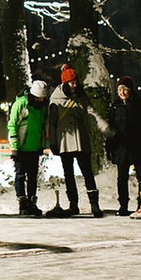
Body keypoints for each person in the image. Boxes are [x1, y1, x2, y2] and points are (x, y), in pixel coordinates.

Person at [46, 64, 108, 218]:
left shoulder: (81, 96)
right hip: (64, 142)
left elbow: (91, 113)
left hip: (81, 140)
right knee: (69, 175)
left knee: (88, 173)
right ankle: (73, 204)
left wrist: (105, 127)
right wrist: (52, 142)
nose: (74, 85)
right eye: (71, 82)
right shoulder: (55, 99)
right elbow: (52, 123)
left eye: (75, 82)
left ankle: (94, 204)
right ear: (65, 83)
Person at [106, 76, 141, 216]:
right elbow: (111, 128)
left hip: (138, 147)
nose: (122, 92)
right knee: (121, 179)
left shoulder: (140, 105)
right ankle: (123, 205)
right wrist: (110, 148)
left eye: (125, 89)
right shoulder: (115, 106)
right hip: (121, 148)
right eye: (120, 89)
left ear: (130, 90)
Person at [7, 80, 50, 216]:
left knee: (32, 176)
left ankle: (32, 202)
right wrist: (14, 146)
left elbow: (42, 127)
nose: (40, 100)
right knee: (20, 175)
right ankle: (23, 203)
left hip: (34, 147)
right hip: (21, 148)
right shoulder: (20, 104)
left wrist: (43, 145)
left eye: (42, 98)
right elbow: (12, 125)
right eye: (38, 97)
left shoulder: (42, 107)